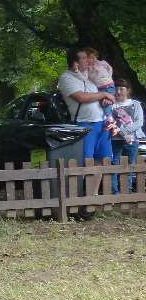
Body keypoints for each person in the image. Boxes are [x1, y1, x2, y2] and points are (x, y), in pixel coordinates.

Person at [57, 47, 114, 198]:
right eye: (84, 58)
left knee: (101, 160)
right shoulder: (66, 77)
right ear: (75, 62)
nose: (89, 60)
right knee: (85, 161)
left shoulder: (90, 76)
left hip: (102, 122)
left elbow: (107, 92)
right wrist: (103, 94)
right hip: (83, 124)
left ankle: (93, 194)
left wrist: (107, 97)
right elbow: (82, 97)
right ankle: (78, 196)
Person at [110, 79, 142, 194]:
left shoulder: (135, 105)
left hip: (132, 140)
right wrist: (120, 132)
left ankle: (127, 191)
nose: (119, 92)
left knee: (129, 166)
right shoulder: (112, 105)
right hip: (115, 139)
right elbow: (109, 122)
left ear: (128, 90)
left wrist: (125, 131)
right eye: (117, 89)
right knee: (115, 165)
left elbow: (139, 122)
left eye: (121, 89)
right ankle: (115, 191)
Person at [85, 48, 118, 134]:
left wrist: (107, 77)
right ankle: (112, 123)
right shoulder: (88, 69)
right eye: (90, 58)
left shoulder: (102, 63)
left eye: (94, 57)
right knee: (102, 102)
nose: (93, 60)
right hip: (100, 87)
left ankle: (110, 119)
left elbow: (109, 69)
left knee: (105, 103)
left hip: (108, 85)